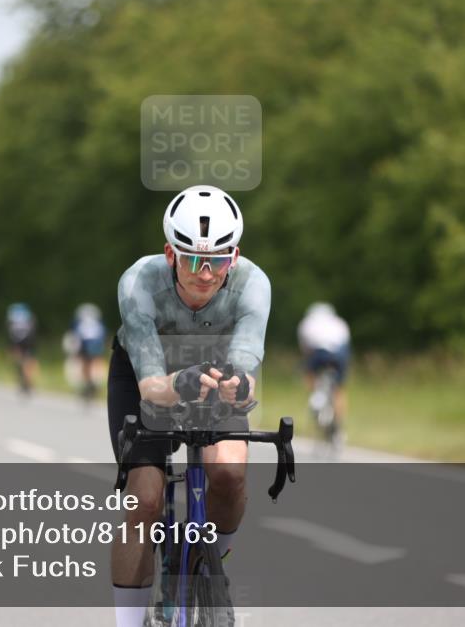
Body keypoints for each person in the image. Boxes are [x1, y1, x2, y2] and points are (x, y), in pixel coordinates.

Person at [108, 185, 271, 627]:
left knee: (230, 473)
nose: (205, 273)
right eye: (194, 259)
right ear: (169, 253)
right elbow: (151, 388)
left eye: (218, 260)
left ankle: (207, 568)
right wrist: (178, 383)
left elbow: (246, 366)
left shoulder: (253, 284)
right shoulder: (139, 282)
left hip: (214, 374)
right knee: (144, 499)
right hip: (149, 375)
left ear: (233, 257)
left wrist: (238, 386)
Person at [298, 301, 351, 441]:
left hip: (319, 354)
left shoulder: (307, 323)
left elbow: (305, 349)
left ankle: (315, 396)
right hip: (339, 355)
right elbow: (346, 344)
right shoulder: (339, 323)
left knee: (308, 371)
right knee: (339, 389)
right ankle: (339, 426)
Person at [68, 302, 106, 400]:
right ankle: (95, 381)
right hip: (97, 344)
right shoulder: (98, 322)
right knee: (96, 361)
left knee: (84, 362)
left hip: (85, 344)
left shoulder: (79, 322)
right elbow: (103, 334)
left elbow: (75, 335)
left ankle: (88, 383)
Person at [6, 302, 38, 395]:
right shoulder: (29, 318)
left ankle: (25, 381)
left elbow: (10, 334)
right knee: (27, 362)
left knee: (20, 361)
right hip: (28, 342)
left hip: (19, 342)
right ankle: (26, 381)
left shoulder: (13, 318)